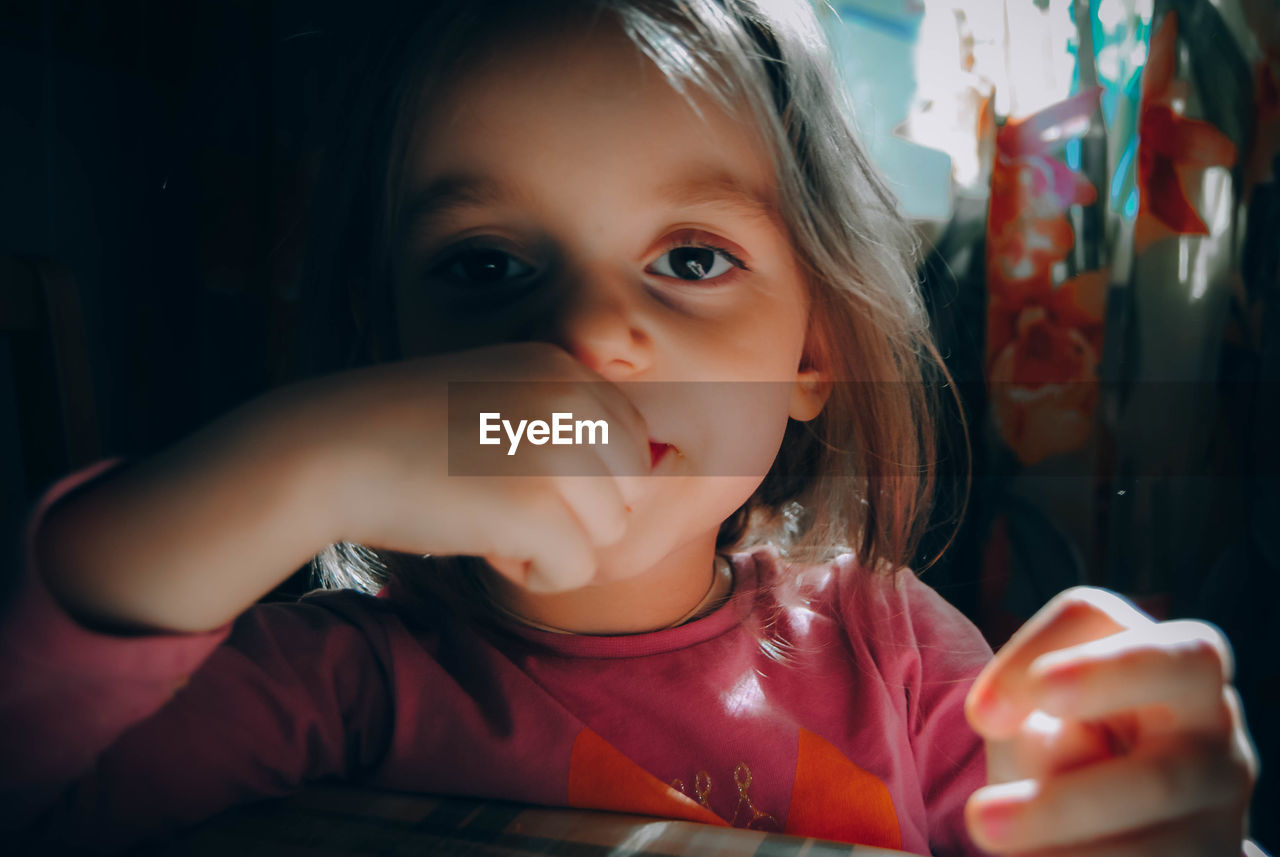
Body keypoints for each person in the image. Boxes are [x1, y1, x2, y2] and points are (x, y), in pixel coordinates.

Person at [0, 1, 1261, 855]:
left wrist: (1147, 808)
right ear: (382, 357)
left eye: (693, 256)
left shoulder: (900, 658)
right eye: (487, 267)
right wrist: (289, 465)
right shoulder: (341, 687)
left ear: (811, 354)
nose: (590, 341)